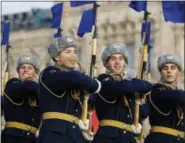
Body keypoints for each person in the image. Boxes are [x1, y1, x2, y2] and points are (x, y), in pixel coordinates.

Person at [38, 35, 101, 143]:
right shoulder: (49, 74)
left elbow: (90, 101)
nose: (73, 56)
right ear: (57, 57)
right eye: (68, 52)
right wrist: (94, 84)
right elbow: (74, 77)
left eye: (75, 52)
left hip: (75, 134)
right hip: (55, 135)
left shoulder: (75, 82)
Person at [93, 43, 152, 143]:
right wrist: (140, 84)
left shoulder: (130, 85)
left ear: (125, 62)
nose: (117, 62)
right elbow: (123, 86)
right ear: (106, 63)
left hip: (128, 138)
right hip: (107, 138)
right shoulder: (103, 80)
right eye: (113, 59)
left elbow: (139, 110)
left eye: (121, 58)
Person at [144, 53, 185, 143]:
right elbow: (178, 96)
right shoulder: (157, 90)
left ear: (179, 71)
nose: (169, 71)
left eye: (173, 68)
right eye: (165, 68)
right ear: (161, 72)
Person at [1, 53, 41, 143]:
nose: (25, 70)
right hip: (13, 137)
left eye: (30, 68)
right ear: (18, 71)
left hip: (32, 139)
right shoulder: (12, 84)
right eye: (22, 68)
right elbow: (29, 87)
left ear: (35, 72)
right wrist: (33, 82)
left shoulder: (38, 89)